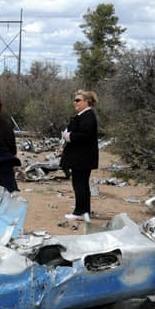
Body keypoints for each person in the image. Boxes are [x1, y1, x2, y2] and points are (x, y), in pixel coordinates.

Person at [59, 90, 99, 222]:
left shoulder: (88, 116)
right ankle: (84, 211)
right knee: (81, 184)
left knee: (79, 184)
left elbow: (85, 136)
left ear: (87, 102)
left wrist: (69, 136)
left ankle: (80, 212)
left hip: (82, 158)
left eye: (78, 100)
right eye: (74, 100)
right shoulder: (83, 115)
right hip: (81, 157)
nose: (75, 102)